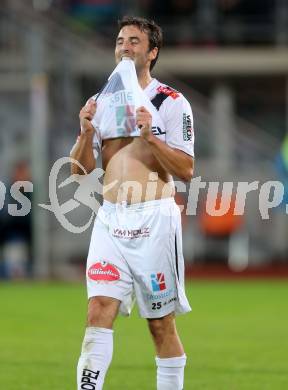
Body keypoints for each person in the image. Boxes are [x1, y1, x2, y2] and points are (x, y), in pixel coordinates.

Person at [70, 16, 195, 390]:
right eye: (121, 40)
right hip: (110, 220)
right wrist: (86, 132)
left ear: (152, 52)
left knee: (159, 325)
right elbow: (80, 172)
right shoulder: (102, 102)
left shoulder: (170, 102)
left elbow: (186, 169)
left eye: (135, 41)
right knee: (98, 310)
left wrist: (151, 137)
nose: (125, 47)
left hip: (154, 220)